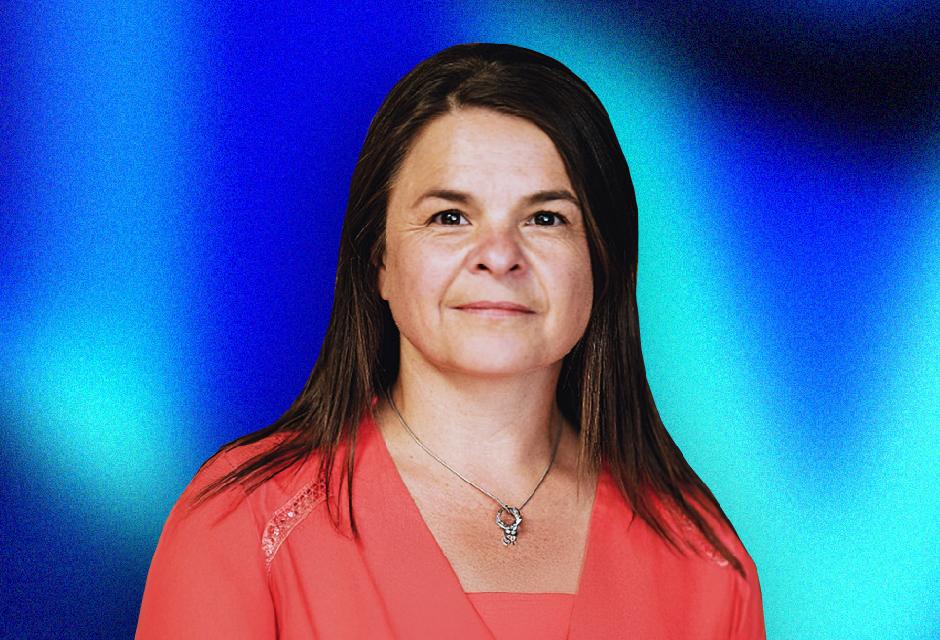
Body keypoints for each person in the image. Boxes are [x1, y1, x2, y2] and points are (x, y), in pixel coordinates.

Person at [136, 42, 766, 639]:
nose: (499, 255)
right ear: (379, 259)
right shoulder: (245, 524)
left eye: (546, 218)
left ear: (603, 263)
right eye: (450, 217)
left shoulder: (702, 557)